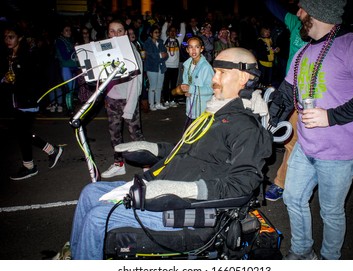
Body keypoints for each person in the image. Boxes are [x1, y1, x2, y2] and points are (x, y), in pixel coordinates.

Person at [69, 47, 273, 259]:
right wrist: (153, 148)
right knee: (89, 193)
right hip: (163, 186)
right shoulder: (217, 112)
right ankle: (76, 256)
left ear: (243, 77)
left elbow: (242, 185)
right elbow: (185, 149)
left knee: (97, 218)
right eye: (215, 71)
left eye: (221, 72)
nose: (214, 78)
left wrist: (182, 190)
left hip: (186, 208)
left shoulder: (246, 127)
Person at [268, 0, 353, 260]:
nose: (297, 14)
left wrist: (331, 116)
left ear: (318, 12)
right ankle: (301, 253)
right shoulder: (303, 53)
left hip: (340, 152)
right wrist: (264, 117)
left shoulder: (352, 44)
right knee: (292, 198)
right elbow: (286, 95)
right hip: (306, 146)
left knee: (331, 212)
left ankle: (328, 261)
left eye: (302, 9)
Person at [1, 23, 63, 180]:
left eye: (11, 37)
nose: (7, 40)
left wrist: (15, 80)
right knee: (22, 132)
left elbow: (33, 79)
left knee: (22, 133)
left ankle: (30, 166)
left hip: (27, 101)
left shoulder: (26, 56)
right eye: (5, 37)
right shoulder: (9, 56)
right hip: (16, 101)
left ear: (19, 38)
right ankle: (51, 151)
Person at [262, 0, 307, 201]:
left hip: (312, 97)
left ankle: (286, 182)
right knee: (288, 138)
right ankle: (281, 181)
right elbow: (274, 6)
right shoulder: (297, 24)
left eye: (303, 8)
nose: (297, 12)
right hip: (290, 92)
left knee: (299, 142)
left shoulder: (332, 36)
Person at [100, 20, 145, 179]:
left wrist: (130, 106)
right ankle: (119, 164)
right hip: (112, 99)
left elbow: (137, 82)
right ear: (108, 33)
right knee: (115, 135)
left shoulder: (132, 51)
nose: (116, 34)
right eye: (112, 31)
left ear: (125, 33)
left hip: (128, 100)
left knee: (135, 136)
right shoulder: (106, 50)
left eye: (120, 31)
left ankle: (147, 166)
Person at [176, 36, 214, 129]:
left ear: (201, 49)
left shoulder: (206, 67)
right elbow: (187, 82)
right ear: (187, 50)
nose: (193, 50)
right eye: (190, 47)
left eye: (197, 47)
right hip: (191, 108)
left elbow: (211, 89)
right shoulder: (187, 64)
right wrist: (186, 91)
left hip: (202, 110)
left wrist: (191, 89)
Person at [161, 19, 186, 108]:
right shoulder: (165, 39)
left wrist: (182, 23)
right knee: (166, 84)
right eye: (171, 31)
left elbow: (183, 32)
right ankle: (166, 100)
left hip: (175, 66)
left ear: (176, 32)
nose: (172, 32)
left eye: (174, 31)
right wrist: (167, 22)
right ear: (168, 32)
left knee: (174, 84)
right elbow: (163, 31)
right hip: (166, 66)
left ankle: (172, 99)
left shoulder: (178, 40)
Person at [143, 25, 169, 111]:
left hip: (161, 67)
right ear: (151, 33)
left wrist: (161, 56)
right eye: (156, 32)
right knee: (153, 86)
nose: (158, 34)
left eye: (159, 32)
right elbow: (150, 55)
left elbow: (166, 55)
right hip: (151, 67)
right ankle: (151, 104)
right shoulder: (147, 43)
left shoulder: (160, 42)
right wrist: (160, 55)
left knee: (159, 86)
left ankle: (158, 103)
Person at [54, 23, 78, 115]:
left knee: (71, 88)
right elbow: (65, 56)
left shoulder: (69, 40)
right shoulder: (60, 41)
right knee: (69, 89)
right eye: (66, 30)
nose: (69, 32)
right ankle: (69, 110)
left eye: (69, 30)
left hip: (72, 67)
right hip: (66, 67)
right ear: (62, 32)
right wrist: (74, 48)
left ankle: (70, 107)